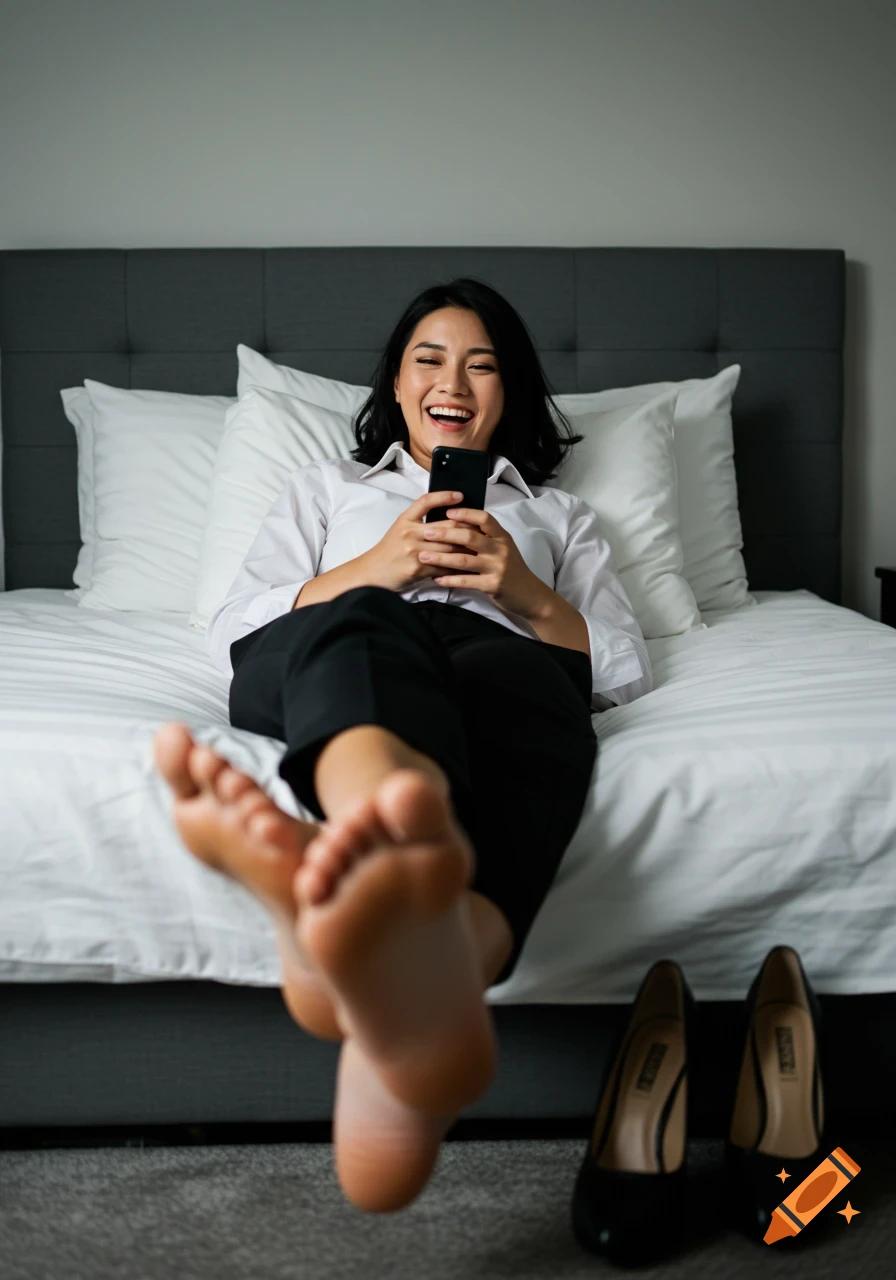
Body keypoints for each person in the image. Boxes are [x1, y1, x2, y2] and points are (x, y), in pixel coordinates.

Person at [153, 276, 652, 1215]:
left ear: (511, 394)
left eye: (482, 363)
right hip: (338, 646)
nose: (453, 379)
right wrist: (371, 569)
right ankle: (386, 829)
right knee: (373, 622)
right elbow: (236, 625)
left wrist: (528, 595)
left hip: (497, 656)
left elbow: (620, 668)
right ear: (397, 382)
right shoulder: (328, 489)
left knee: (526, 688)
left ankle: (422, 964)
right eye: (430, 357)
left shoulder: (556, 516)